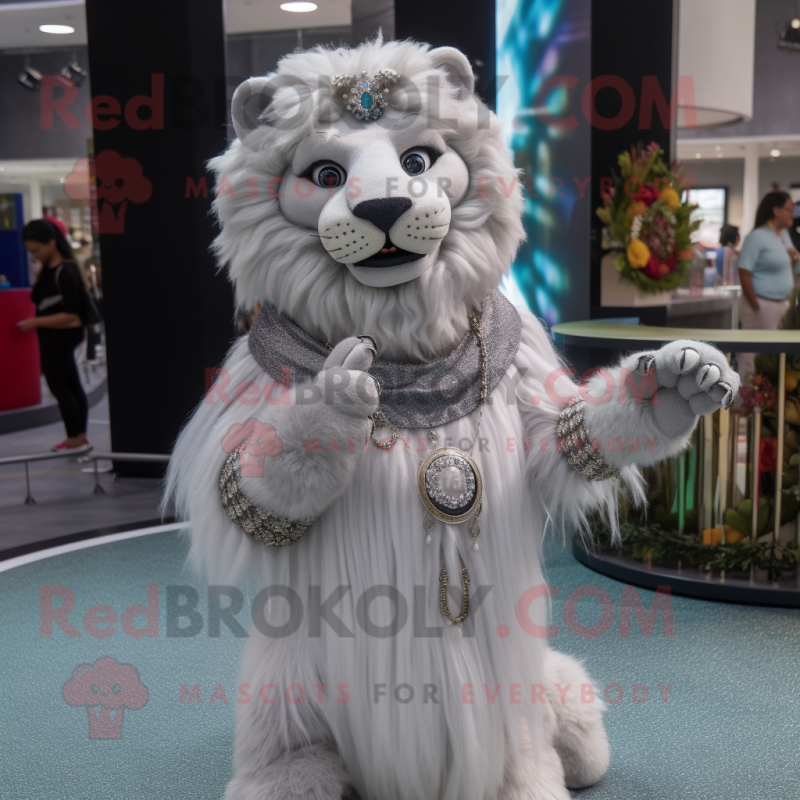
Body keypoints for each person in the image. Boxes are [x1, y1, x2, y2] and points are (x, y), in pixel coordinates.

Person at [16, 219, 90, 451]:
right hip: (56, 337)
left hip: (62, 336)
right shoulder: (52, 270)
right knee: (69, 384)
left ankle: (75, 438)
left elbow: (73, 315)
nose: (35, 256)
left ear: (51, 243)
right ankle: (77, 436)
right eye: (31, 253)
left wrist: (35, 321)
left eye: (37, 250)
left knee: (61, 386)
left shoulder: (65, 271)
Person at [737, 191, 800, 380]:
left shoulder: (781, 237)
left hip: (780, 305)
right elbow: (744, 272)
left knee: (773, 359)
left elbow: (787, 268)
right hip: (763, 306)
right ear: (776, 210)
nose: (792, 213)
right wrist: (756, 306)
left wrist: (793, 259)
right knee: (753, 357)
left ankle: (766, 404)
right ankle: (744, 403)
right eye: (788, 209)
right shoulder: (756, 237)